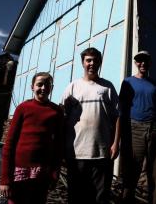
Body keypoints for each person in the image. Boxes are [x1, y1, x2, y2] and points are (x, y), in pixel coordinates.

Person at [61, 47, 120, 204]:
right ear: (83, 63)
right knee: (77, 196)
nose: (91, 63)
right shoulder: (72, 87)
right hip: (77, 152)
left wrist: (115, 143)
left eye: (95, 60)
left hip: (102, 151)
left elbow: (117, 117)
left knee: (101, 197)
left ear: (100, 63)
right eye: (88, 60)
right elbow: (64, 118)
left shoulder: (107, 87)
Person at [0, 72, 64, 204]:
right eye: (40, 84)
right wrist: (5, 179)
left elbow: (58, 145)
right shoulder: (23, 108)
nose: (44, 88)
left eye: (47, 85)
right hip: (19, 171)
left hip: (42, 172)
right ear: (32, 87)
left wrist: (54, 173)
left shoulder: (56, 111)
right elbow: (10, 143)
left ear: (51, 88)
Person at [119, 50, 156, 204]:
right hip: (135, 128)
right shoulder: (128, 82)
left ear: (149, 63)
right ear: (135, 63)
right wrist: (121, 136)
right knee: (132, 170)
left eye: (145, 61)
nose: (142, 63)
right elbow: (121, 110)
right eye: (139, 61)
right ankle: (127, 200)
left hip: (155, 129)